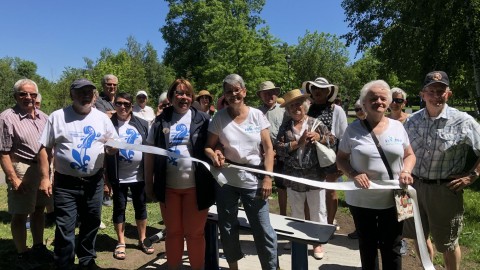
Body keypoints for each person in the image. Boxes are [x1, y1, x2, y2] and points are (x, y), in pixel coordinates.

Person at [37, 78, 118, 270]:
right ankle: (64, 263)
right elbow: (44, 148)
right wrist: (44, 177)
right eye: (81, 92)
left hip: (94, 182)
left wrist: (112, 149)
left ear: (94, 95)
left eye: (90, 91)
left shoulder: (102, 119)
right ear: (72, 94)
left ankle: (87, 261)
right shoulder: (58, 117)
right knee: (65, 226)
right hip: (66, 184)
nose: (86, 95)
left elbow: (112, 146)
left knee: (92, 222)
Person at [403, 71, 480, 270]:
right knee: (416, 235)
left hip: (444, 190)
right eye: (431, 91)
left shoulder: (463, 121)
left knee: (447, 242)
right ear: (422, 94)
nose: (436, 95)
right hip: (412, 188)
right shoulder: (411, 121)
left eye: (441, 91)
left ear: (449, 94)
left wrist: (473, 175)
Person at [336, 79, 416, 270]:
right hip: (362, 200)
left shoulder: (398, 127)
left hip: (395, 198)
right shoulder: (352, 129)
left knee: (393, 247)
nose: (379, 101)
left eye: (383, 98)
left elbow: (410, 155)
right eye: (373, 98)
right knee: (368, 246)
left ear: (388, 102)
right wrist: (353, 173)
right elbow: (341, 159)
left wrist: (406, 171)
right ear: (364, 103)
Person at [205, 74, 277, 270]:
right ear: (225, 95)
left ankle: (270, 267)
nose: (233, 94)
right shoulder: (218, 118)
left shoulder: (257, 115)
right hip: (226, 181)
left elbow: (269, 149)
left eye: (237, 90)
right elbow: (208, 147)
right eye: (229, 91)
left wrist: (267, 177)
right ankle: (233, 267)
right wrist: (214, 155)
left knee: (263, 229)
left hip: (254, 181)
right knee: (227, 228)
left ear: (244, 91)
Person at [145, 79, 215, 270]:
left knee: (195, 234)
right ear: (171, 96)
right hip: (168, 188)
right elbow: (149, 153)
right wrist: (148, 184)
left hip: (197, 187)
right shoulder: (160, 121)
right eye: (179, 93)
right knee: (174, 233)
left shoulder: (204, 119)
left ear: (192, 98)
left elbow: (214, 146)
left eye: (187, 94)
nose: (183, 97)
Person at [0, 79, 53, 269]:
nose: (28, 97)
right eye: (23, 94)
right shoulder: (7, 117)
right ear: (15, 96)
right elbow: (3, 152)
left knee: (39, 209)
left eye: (32, 94)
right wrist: (13, 177)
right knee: (21, 213)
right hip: (22, 168)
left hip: (43, 169)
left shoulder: (44, 118)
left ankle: (38, 246)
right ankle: (22, 254)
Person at [276, 89, 333, 260]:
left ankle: (317, 242)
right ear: (288, 110)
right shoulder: (285, 126)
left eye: (298, 104)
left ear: (305, 105)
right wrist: (296, 143)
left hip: (315, 176)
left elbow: (333, 140)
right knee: (297, 210)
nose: (295, 108)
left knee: (317, 210)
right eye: (292, 106)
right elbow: (278, 149)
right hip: (293, 176)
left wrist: (320, 137)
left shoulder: (316, 123)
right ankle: (297, 240)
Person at [105, 93, 152, 260]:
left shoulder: (142, 124)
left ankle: (143, 239)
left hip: (139, 176)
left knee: (141, 207)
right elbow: (103, 153)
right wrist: (106, 180)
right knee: (119, 208)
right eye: (119, 103)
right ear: (114, 105)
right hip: (118, 176)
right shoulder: (108, 124)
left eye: (126, 103)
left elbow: (149, 148)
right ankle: (121, 242)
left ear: (132, 105)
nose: (122, 107)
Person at [304, 77, 347, 228]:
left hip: (329, 156)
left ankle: (329, 225)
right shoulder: (307, 108)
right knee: (310, 191)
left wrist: (342, 162)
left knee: (330, 191)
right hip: (309, 157)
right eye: (314, 88)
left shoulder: (336, 110)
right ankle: (309, 223)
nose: (317, 91)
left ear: (328, 91)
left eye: (321, 89)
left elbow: (342, 136)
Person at [256, 81, 289, 220]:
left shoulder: (284, 111)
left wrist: (278, 149)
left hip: (281, 154)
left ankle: (282, 215)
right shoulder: (256, 112)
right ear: (261, 96)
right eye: (266, 93)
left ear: (276, 94)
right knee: (263, 183)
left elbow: (288, 131)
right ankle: (264, 216)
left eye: (272, 92)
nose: (269, 95)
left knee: (282, 186)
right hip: (262, 154)